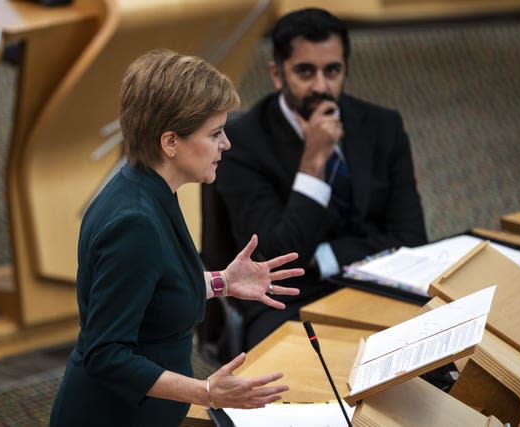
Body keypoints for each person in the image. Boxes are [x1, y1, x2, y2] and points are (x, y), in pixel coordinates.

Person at [49, 49, 304, 427]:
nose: (226, 144)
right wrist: (204, 392)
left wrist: (223, 282)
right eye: (215, 133)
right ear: (170, 142)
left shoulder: (146, 189)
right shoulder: (134, 223)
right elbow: (106, 354)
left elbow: (152, 292)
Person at [214, 8, 427, 350]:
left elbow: (412, 240)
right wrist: (314, 160)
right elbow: (277, 260)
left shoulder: (382, 126)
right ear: (277, 75)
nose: (320, 86)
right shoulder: (242, 144)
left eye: (332, 70)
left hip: (377, 286)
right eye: (304, 71)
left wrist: (326, 256)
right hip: (286, 303)